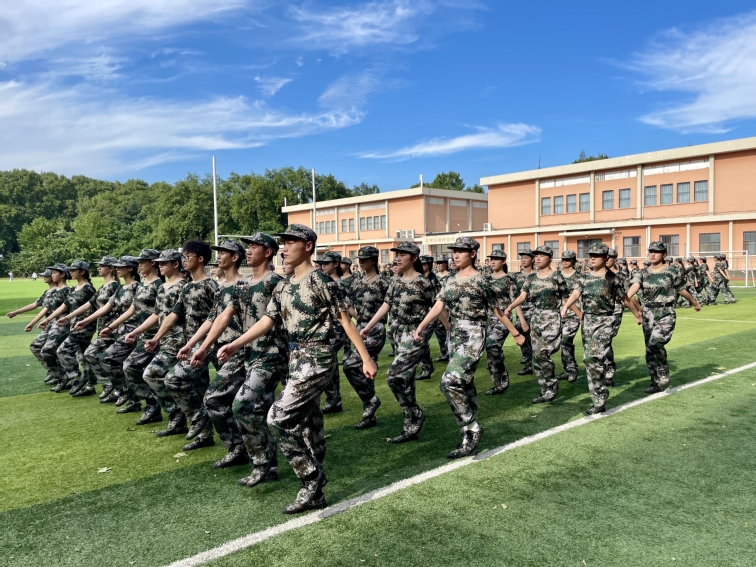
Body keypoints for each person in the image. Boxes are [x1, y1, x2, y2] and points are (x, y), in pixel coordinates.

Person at [218, 224, 377, 514]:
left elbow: (344, 320)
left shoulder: (321, 281)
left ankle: (311, 478)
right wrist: (236, 344)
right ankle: (316, 484)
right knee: (308, 421)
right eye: (284, 242)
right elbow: (267, 321)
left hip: (317, 357)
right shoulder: (283, 285)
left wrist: (365, 358)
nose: (285, 247)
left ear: (308, 246)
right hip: (295, 357)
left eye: (292, 242)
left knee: (277, 418)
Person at [415, 237, 524, 458]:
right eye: (454, 251)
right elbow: (439, 305)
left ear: (473, 254)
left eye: (461, 251)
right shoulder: (450, 279)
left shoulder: (481, 281)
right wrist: (422, 326)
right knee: (465, 383)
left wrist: (515, 332)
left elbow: (497, 311)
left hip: (473, 333)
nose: (455, 255)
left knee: (449, 381)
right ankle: (467, 433)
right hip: (454, 333)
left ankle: (472, 427)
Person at [195, 234, 287, 480]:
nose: (249, 250)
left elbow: (273, 320)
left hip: (271, 355)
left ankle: (264, 463)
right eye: (248, 246)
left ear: (268, 252)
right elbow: (223, 316)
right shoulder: (243, 285)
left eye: (254, 247)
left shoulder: (276, 283)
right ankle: (251, 455)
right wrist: (204, 347)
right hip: (247, 354)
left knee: (244, 404)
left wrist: (234, 344)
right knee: (226, 402)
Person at [178, 240, 248, 462]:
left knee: (224, 399)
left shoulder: (244, 286)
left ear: (235, 257)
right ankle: (240, 446)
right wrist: (194, 345)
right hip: (221, 349)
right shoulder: (221, 289)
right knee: (228, 400)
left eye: (223, 253)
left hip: (240, 349)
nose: (218, 257)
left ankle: (242, 447)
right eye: (217, 253)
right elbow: (211, 320)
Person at [361, 242, 438, 444]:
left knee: (393, 376)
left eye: (403, 255)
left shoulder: (423, 282)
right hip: (398, 333)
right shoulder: (395, 281)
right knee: (406, 380)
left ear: (414, 258)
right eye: (397, 254)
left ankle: (415, 412)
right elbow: (386, 305)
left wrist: (426, 332)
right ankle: (410, 425)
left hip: (415, 335)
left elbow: (436, 309)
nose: (398, 258)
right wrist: (368, 326)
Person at [562, 243, 642, 414]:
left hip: (605, 320)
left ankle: (599, 396)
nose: (592, 258)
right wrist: (566, 306)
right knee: (589, 359)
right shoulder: (584, 277)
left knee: (592, 357)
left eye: (596, 256)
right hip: (588, 321)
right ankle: (598, 392)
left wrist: (636, 314)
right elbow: (575, 293)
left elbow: (625, 299)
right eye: (591, 255)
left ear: (605, 258)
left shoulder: (613, 278)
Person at [158, 240, 218, 449]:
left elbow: (218, 318)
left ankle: (198, 416)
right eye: (183, 256)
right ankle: (205, 436)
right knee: (199, 387)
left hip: (209, 344)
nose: (184, 260)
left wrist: (205, 345)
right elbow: (174, 314)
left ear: (200, 259)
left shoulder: (211, 286)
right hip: (192, 343)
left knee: (173, 378)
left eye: (188, 256)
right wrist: (156, 337)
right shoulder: (187, 287)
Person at [126, 250, 188, 436]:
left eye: (164, 263)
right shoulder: (163, 287)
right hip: (164, 339)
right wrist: (137, 331)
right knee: (157, 376)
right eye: (159, 263)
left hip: (179, 339)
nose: (160, 266)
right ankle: (177, 416)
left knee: (152, 374)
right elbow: (156, 315)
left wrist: (156, 338)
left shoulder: (183, 287)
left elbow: (174, 316)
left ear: (175, 264)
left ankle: (179, 415)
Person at [626, 241, 701, 393]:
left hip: (666, 311)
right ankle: (655, 382)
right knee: (649, 349)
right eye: (651, 251)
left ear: (664, 254)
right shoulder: (642, 273)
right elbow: (635, 285)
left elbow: (681, 289)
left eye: (657, 252)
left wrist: (694, 302)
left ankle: (663, 369)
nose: (653, 254)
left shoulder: (672, 271)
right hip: (648, 313)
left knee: (656, 341)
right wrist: (626, 296)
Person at [506, 246, 576, 403]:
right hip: (536, 318)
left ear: (550, 258)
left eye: (542, 256)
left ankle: (551, 386)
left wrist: (579, 314)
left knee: (541, 354)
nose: (537, 258)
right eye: (536, 256)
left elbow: (566, 298)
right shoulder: (531, 278)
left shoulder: (556, 276)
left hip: (551, 318)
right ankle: (545, 389)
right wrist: (510, 307)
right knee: (536, 357)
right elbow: (522, 296)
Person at [77, 256, 142, 404]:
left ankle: (125, 392)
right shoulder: (120, 288)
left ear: (130, 269)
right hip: (118, 330)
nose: (117, 269)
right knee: (113, 361)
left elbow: (133, 311)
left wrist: (109, 327)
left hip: (132, 331)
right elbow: (106, 306)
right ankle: (123, 392)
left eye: (120, 266)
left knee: (115, 361)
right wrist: (86, 320)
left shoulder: (137, 287)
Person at [343, 246, 388, 429]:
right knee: (366, 370)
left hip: (376, 329)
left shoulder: (383, 283)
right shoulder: (357, 282)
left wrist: (370, 323)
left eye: (365, 259)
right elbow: (349, 306)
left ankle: (371, 400)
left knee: (350, 365)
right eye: (359, 259)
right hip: (360, 327)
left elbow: (389, 305)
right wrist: (357, 317)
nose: (361, 262)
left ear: (374, 260)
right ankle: (369, 415)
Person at [63, 257, 121, 397]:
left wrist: (87, 321)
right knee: (102, 358)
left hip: (112, 328)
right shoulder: (103, 287)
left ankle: (111, 384)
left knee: (93, 354)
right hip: (103, 328)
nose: (99, 268)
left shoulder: (114, 286)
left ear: (111, 268)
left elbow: (112, 308)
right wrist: (68, 317)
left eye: (102, 266)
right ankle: (115, 388)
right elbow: (89, 304)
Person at [41, 261, 96, 392]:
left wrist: (87, 322)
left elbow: (93, 307)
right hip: (74, 324)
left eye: (73, 270)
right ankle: (90, 385)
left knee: (63, 350)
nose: (70, 272)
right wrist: (48, 319)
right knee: (83, 355)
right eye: (70, 270)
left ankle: (77, 378)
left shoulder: (88, 288)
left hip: (85, 326)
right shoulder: (74, 288)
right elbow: (64, 305)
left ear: (82, 272)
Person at [483, 250, 524, 395]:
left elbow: (516, 301)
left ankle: (503, 375)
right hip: (487, 319)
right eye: (491, 259)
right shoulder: (485, 279)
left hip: (503, 318)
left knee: (491, 344)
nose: (493, 262)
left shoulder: (508, 280)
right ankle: (498, 383)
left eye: (496, 259)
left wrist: (521, 320)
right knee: (490, 351)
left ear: (504, 261)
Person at [313, 251, 348, 414]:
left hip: (337, 330)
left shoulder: (339, 284)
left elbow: (345, 310)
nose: (323, 266)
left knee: (326, 364)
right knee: (330, 365)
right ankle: (334, 399)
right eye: (322, 263)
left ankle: (333, 399)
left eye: (326, 263)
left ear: (336, 264)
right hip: (326, 330)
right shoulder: (324, 282)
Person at [8, 269, 56, 381]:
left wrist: (33, 323)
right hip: (48, 325)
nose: (44, 277)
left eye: (46, 275)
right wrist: (16, 312)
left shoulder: (57, 292)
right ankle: (53, 370)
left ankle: (60, 373)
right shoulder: (47, 292)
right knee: (36, 346)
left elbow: (46, 309)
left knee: (50, 350)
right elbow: (35, 304)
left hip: (56, 325)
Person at [556, 250, 580, 383]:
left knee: (566, 340)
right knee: (562, 342)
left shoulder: (579, 276)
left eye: (568, 259)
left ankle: (571, 369)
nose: (565, 262)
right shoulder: (557, 275)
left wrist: (580, 313)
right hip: (558, 313)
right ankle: (567, 369)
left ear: (573, 261)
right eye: (563, 259)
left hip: (574, 313)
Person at [420, 254, 449, 365]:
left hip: (438, 310)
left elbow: (438, 301)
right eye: (438, 263)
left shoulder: (435, 280)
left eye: (441, 263)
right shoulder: (424, 278)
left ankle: (445, 354)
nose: (439, 265)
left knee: (441, 335)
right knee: (424, 337)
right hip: (428, 312)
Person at [511, 249, 535, 375]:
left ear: (532, 259)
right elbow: (515, 297)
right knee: (520, 328)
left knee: (534, 336)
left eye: (526, 257)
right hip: (521, 307)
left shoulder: (537, 275)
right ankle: (527, 362)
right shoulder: (516, 277)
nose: (523, 260)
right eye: (522, 258)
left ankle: (535, 362)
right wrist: (522, 320)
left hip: (535, 308)